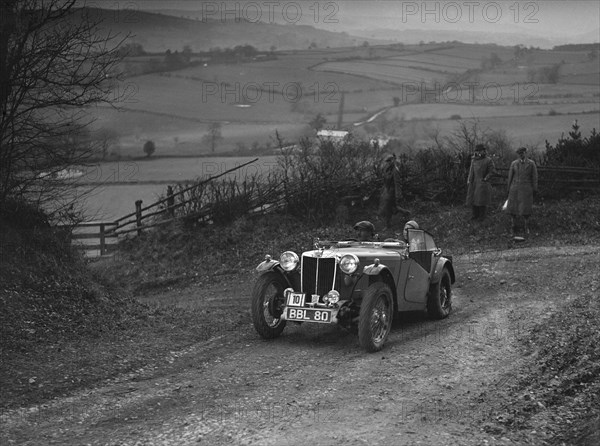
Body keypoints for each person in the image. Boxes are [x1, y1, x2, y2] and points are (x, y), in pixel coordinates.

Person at [506, 147, 538, 235]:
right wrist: (508, 188)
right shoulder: (514, 164)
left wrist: (535, 188)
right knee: (513, 208)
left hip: (526, 189)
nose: (521, 155)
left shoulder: (531, 164)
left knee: (526, 209)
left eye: (522, 153)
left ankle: (526, 226)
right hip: (515, 188)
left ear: (525, 153)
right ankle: (513, 226)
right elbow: (510, 177)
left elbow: (534, 177)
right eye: (519, 153)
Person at [378, 153, 410, 229]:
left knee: (388, 207)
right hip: (387, 191)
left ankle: (387, 225)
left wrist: (398, 195)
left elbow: (397, 183)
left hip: (392, 192)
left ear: (393, 161)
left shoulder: (395, 171)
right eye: (387, 161)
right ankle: (406, 213)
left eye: (389, 161)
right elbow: (385, 181)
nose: (388, 163)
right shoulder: (387, 169)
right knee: (394, 207)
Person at [466, 144, 496, 221]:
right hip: (474, 182)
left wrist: (486, 178)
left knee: (481, 200)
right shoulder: (474, 160)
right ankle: (474, 215)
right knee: (473, 199)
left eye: (480, 150)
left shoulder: (488, 160)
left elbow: (492, 171)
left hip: (483, 182)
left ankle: (482, 216)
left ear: (484, 151)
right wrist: (469, 180)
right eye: (477, 151)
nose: (479, 152)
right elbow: (471, 171)